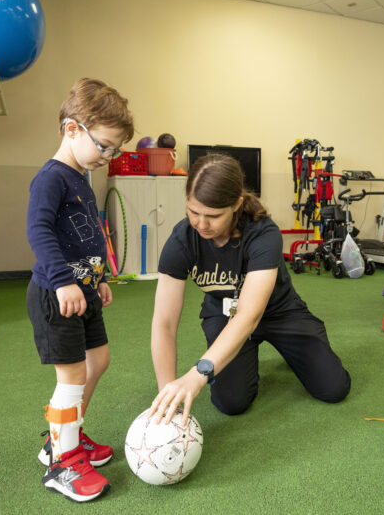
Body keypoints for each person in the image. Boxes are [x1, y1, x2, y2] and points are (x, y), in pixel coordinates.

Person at [148, 154, 351, 426]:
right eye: (193, 212)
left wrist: (199, 372)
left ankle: (301, 350)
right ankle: (245, 355)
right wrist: (167, 393)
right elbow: (164, 322)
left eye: (213, 216)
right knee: (231, 403)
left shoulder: (263, 234)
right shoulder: (182, 241)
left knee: (333, 388)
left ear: (236, 204)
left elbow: (249, 316)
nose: (201, 224)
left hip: (279, 313)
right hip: (224, 314)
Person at [26, 77, 134, 502]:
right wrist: (64, 281)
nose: (108, 157)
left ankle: (64, 435)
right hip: (57, 297)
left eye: (115, 150)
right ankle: (61, 463)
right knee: (71, 375)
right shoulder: (50, 179)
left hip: (84, 293)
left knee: (99, 360)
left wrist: (100, 277)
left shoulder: (82, 177)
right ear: (72, 129)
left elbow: (89, 234)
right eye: (104, 146)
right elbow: (38, 232)